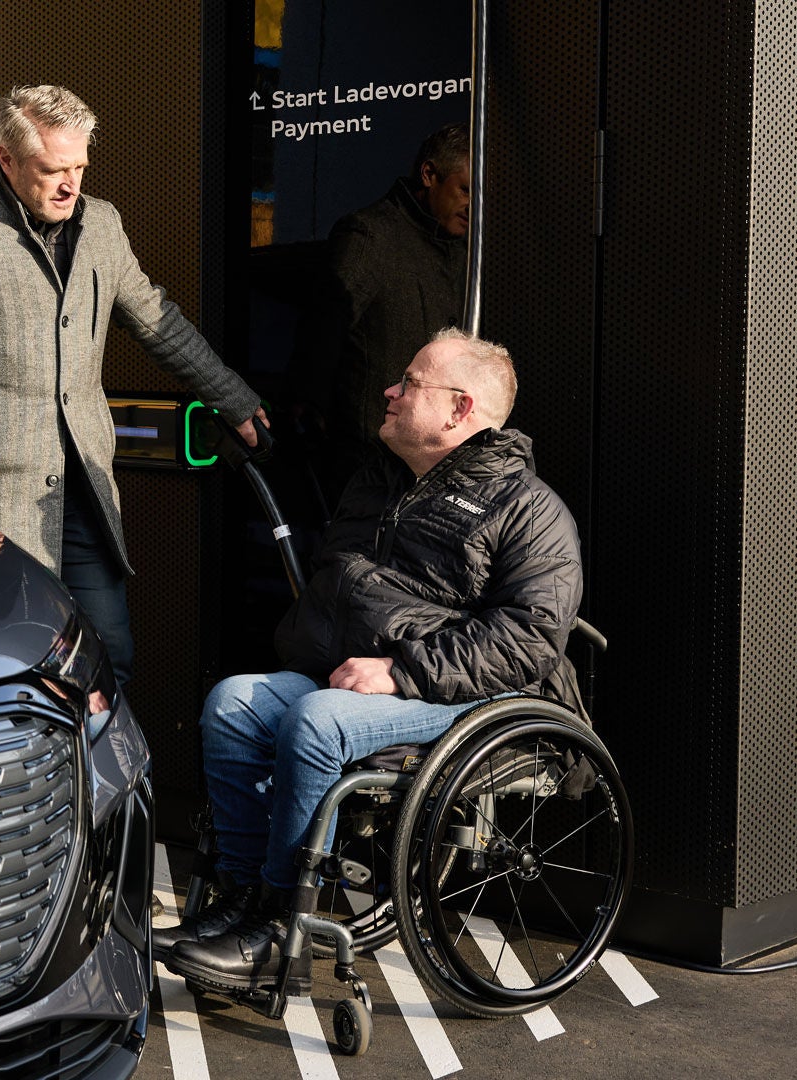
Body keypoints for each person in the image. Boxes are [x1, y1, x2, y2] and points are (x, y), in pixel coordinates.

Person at [158, 328, 583, 995]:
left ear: (458, 410)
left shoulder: (529, 510)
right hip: (352, 676)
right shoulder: (377, 482)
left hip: (461, 692)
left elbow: (529, 639)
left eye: (410, 381)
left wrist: (400, 672)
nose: (389, 389)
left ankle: (278, 931)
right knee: (234, 702)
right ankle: (237, 902)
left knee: (320, 720)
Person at [0, 84, 266, 687]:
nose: (69, 185)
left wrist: (232, 397)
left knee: (109, 653)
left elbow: (157, 320)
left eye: (79, 167)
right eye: (53, 170)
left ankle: (101, 780)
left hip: (84, 487)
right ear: (6, 159)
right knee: (3, 661)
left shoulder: (101, 224)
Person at [309, 123, 472, 499]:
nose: (472, 205)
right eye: (464, 189)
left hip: (438, 460)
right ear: (430, 174)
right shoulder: (371, 236)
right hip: (369, 461)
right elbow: (322, 338)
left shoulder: (468, 251)